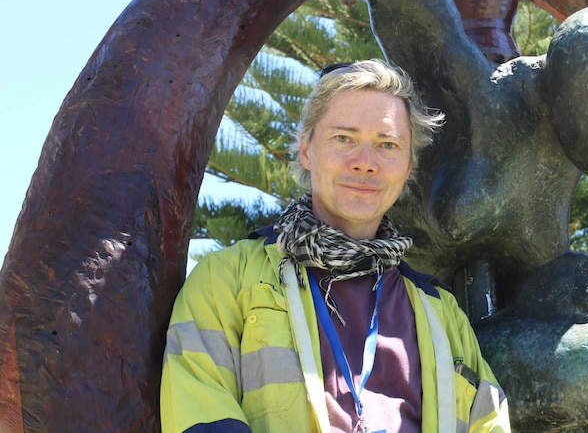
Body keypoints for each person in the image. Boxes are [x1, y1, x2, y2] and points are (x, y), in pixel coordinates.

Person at [160, 59, 511, 433]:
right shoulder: (226, 279)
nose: (365, 163)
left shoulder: (443, 314)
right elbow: (200, 412)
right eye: (343, 138)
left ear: (409, 166)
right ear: (307, 150)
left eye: (387, 145)